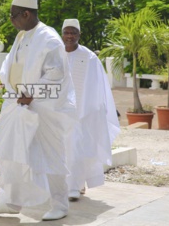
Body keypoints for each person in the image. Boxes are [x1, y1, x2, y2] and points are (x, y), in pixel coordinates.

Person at [0, 0, 77, 221]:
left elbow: (57, 73)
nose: (11, 21)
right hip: (15, 102)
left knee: (50, 154)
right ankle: (11, 201)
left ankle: (60, 204)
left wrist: (30, 93)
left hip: (44, 108)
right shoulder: (22, 35)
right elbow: (11, 65)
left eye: (13, 16)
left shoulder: (49, 38)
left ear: (26, 13)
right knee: (8, 151)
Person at [62, 19, 120, 201]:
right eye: (67, 32)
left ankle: (74, 186)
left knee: (77, 147)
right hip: (58, 112)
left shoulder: (89, 57)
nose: (70, 36)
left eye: (73, 32)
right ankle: (71, 185)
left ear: (79, 34)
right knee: (62, 149)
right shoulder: (55, 54)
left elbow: (97, 86)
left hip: (82, 112)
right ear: (62, 34)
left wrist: (90, 110)